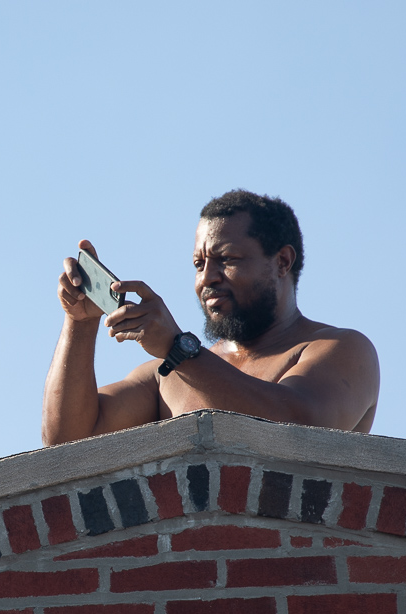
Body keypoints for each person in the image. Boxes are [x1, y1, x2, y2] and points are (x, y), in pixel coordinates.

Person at [41, 189, 380, 445]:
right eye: (199, 264)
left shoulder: (343, 349)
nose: (207, 278)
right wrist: (79, 324)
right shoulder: (166, 376)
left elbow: (296, 432)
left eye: (227, 259)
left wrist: (180, 350)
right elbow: (66, 442)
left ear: (282, 262)